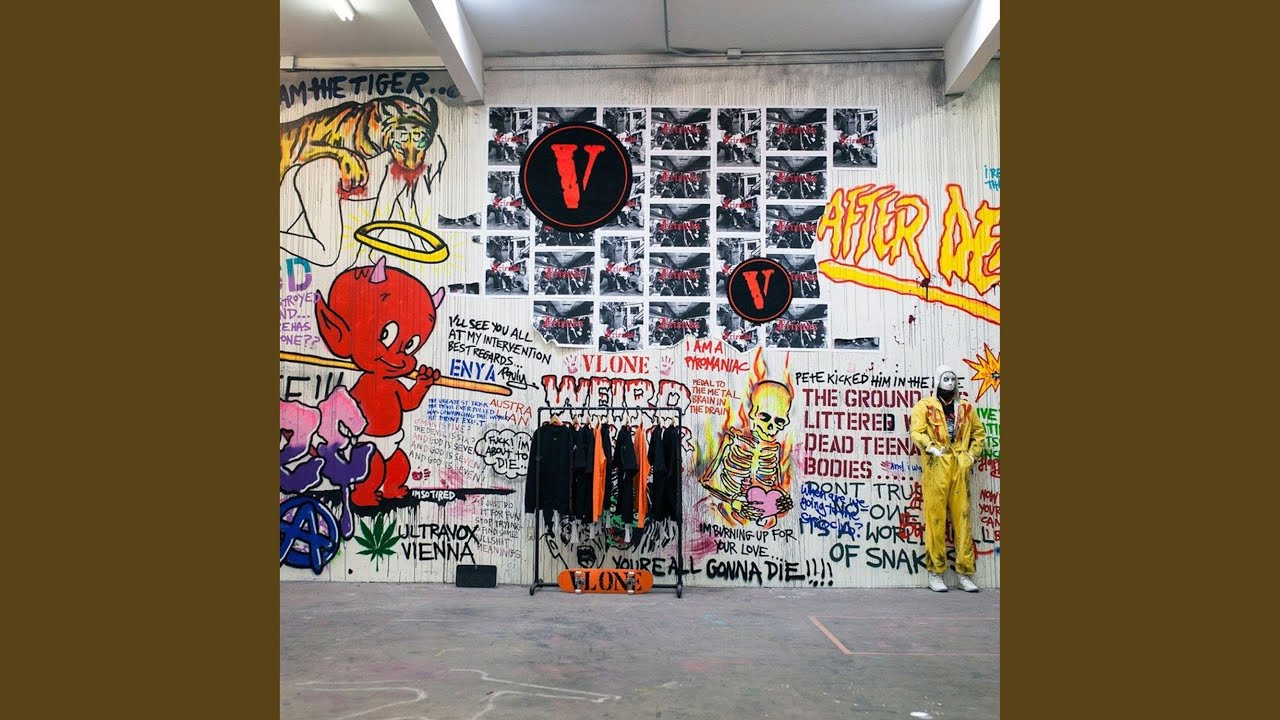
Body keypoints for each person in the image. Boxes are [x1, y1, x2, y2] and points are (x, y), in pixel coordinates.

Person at [909, 365, 988, 593]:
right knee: (935, 519)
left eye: (953, 379)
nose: (950, 383)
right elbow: (917, 431)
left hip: (959, 466)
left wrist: (970, 456)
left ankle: (965, 573)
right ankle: (935, 572)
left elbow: (978, 434)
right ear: (937, 381)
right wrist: (930, 447)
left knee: (963, 518)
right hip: (936, 466)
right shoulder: (924, 406)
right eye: (946, 378)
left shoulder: (966, 408)